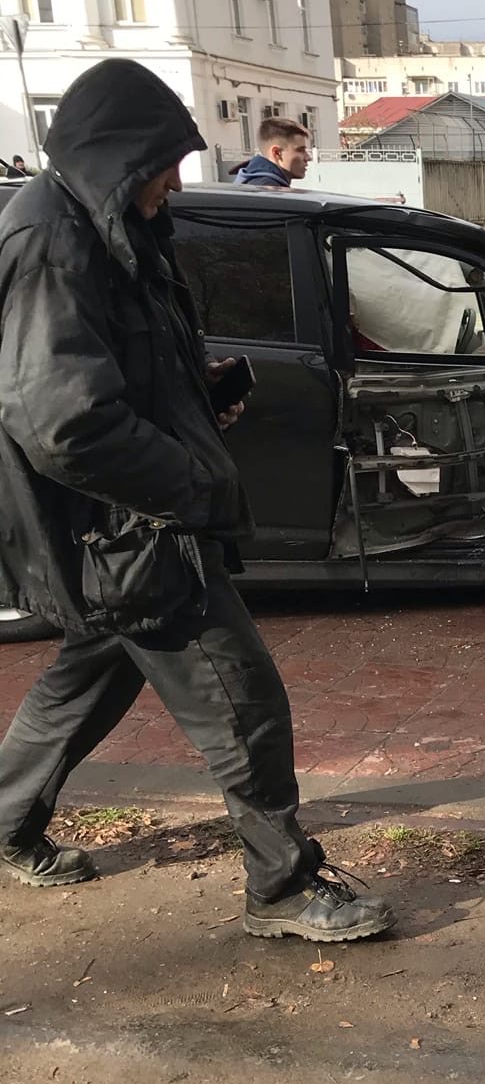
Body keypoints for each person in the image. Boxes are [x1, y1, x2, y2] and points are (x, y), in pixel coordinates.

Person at [0, 59, 393, 942]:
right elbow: (61, 418)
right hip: (135, 530)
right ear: (116, 155)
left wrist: (201, 390)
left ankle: (4, 822)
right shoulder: (52, 242)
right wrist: (188, 483)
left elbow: (118, 374)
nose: (177, 179)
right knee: (240, 695)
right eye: (164, 162)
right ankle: (282, 885)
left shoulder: (108, 227)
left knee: (81, 687)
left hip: (128, 525)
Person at [234, 117, 312, 188]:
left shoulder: (257, 184)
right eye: (300, 150)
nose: (308, 157)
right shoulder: (269, 191)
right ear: (277, 153)